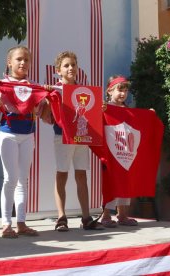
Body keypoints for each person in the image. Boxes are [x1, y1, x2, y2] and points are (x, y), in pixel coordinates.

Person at [0, 46, 45, 239]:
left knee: (23, 180)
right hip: (9, 134)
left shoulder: (34, 85)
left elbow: (39, 110)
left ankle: (21, 222)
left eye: (27, 60)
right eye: (19, 59)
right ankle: (6, 224)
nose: (23, 63)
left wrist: (45, 96)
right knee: (10, 179)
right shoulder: (1, 84)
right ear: (9, 62)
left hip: (28, 135)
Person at [46, 51, 104, 231]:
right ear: (58, 70)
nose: (71, 68)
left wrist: (99, 108)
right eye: (66, 65)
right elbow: (48, 116)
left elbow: (90, 113)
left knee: (81, 175)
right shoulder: (54, 89)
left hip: (81, 137)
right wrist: (47, 98)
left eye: (73, 65)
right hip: (62, 136)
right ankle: (61, 217)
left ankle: (86, 217)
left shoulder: (84, 91)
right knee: (61, 174)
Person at [100, 75, 138, 227]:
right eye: (119, 89)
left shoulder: (128, 110)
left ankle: (122, 215)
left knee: (124, 182)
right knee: (110, 183)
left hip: (125, 151)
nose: (123, 93)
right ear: (109, 91)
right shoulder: (105, 107)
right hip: (110, 151)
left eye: (125, 90)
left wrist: (148, 114)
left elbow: (136, 125)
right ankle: (106, 215)